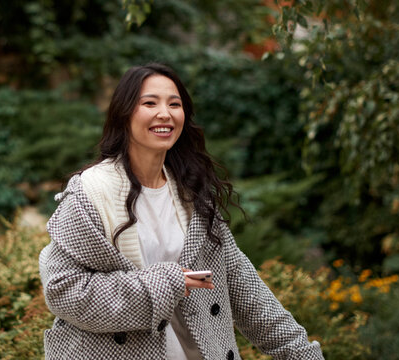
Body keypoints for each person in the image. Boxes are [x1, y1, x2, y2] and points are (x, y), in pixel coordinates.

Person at [38, 63, 323, 360]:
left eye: (175, 104)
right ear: (124, 114)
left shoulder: (191, 194)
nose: (165, 113)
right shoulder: (91, 192)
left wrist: (302, 353)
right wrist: (167, 283)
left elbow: (245, 291)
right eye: (149, 103)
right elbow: (64, 291)